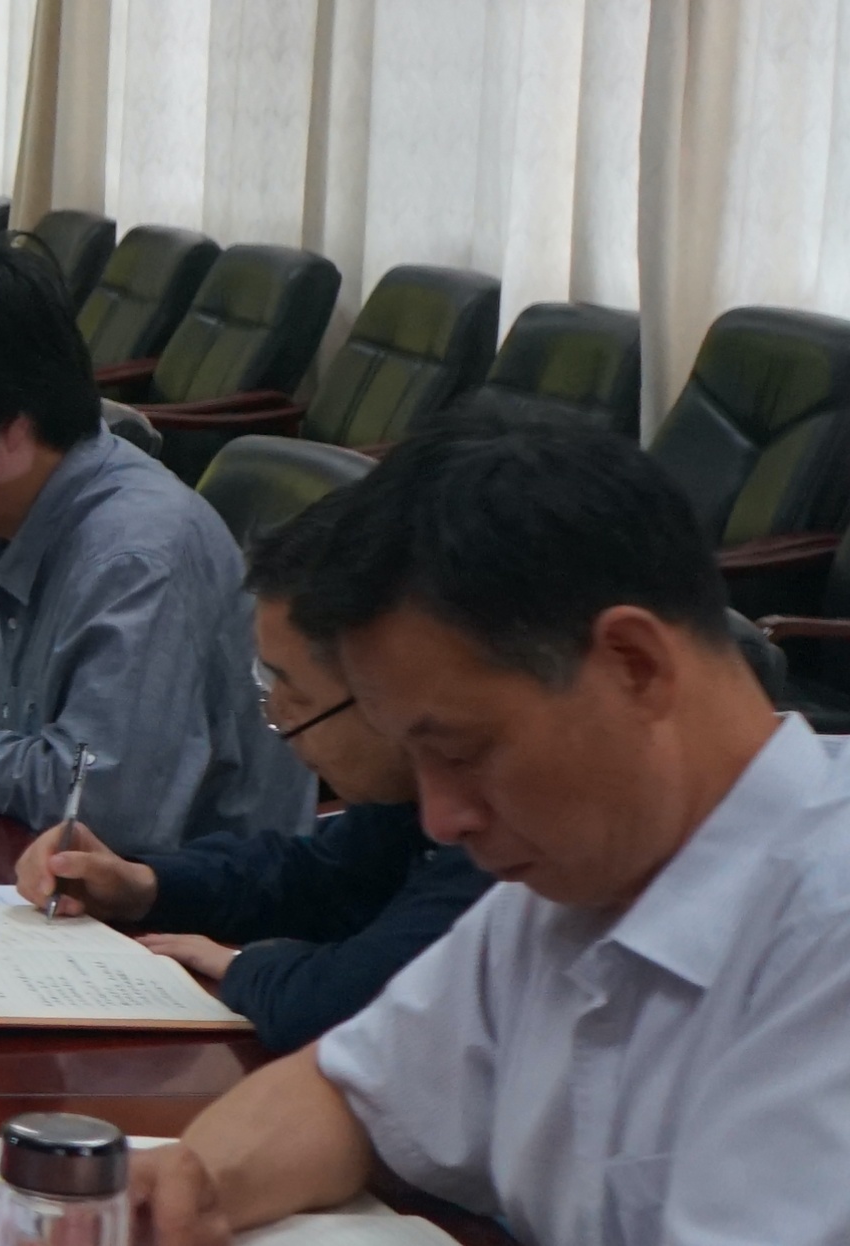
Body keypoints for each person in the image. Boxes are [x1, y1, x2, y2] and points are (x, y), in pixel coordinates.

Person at [126, 403, 850, 1245]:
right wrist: (196, 1188)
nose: (440, 816)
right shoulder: (570, 879)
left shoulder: (823, 933)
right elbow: (350, 1094)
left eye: (463, 751)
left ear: (635, 666)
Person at [0, 236, 308, 854]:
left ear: (6, 433)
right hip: (20, 877)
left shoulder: (138, 556)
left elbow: (97, 809)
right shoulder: (3, 508)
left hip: (172, 926)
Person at [12, 493, 493, 1051]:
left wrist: (248, 964)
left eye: (293, 688)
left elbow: (344, 1005)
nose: (277, 715)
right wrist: (144, 885)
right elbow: (321, 877)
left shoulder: (500, 825)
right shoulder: (403, 795)